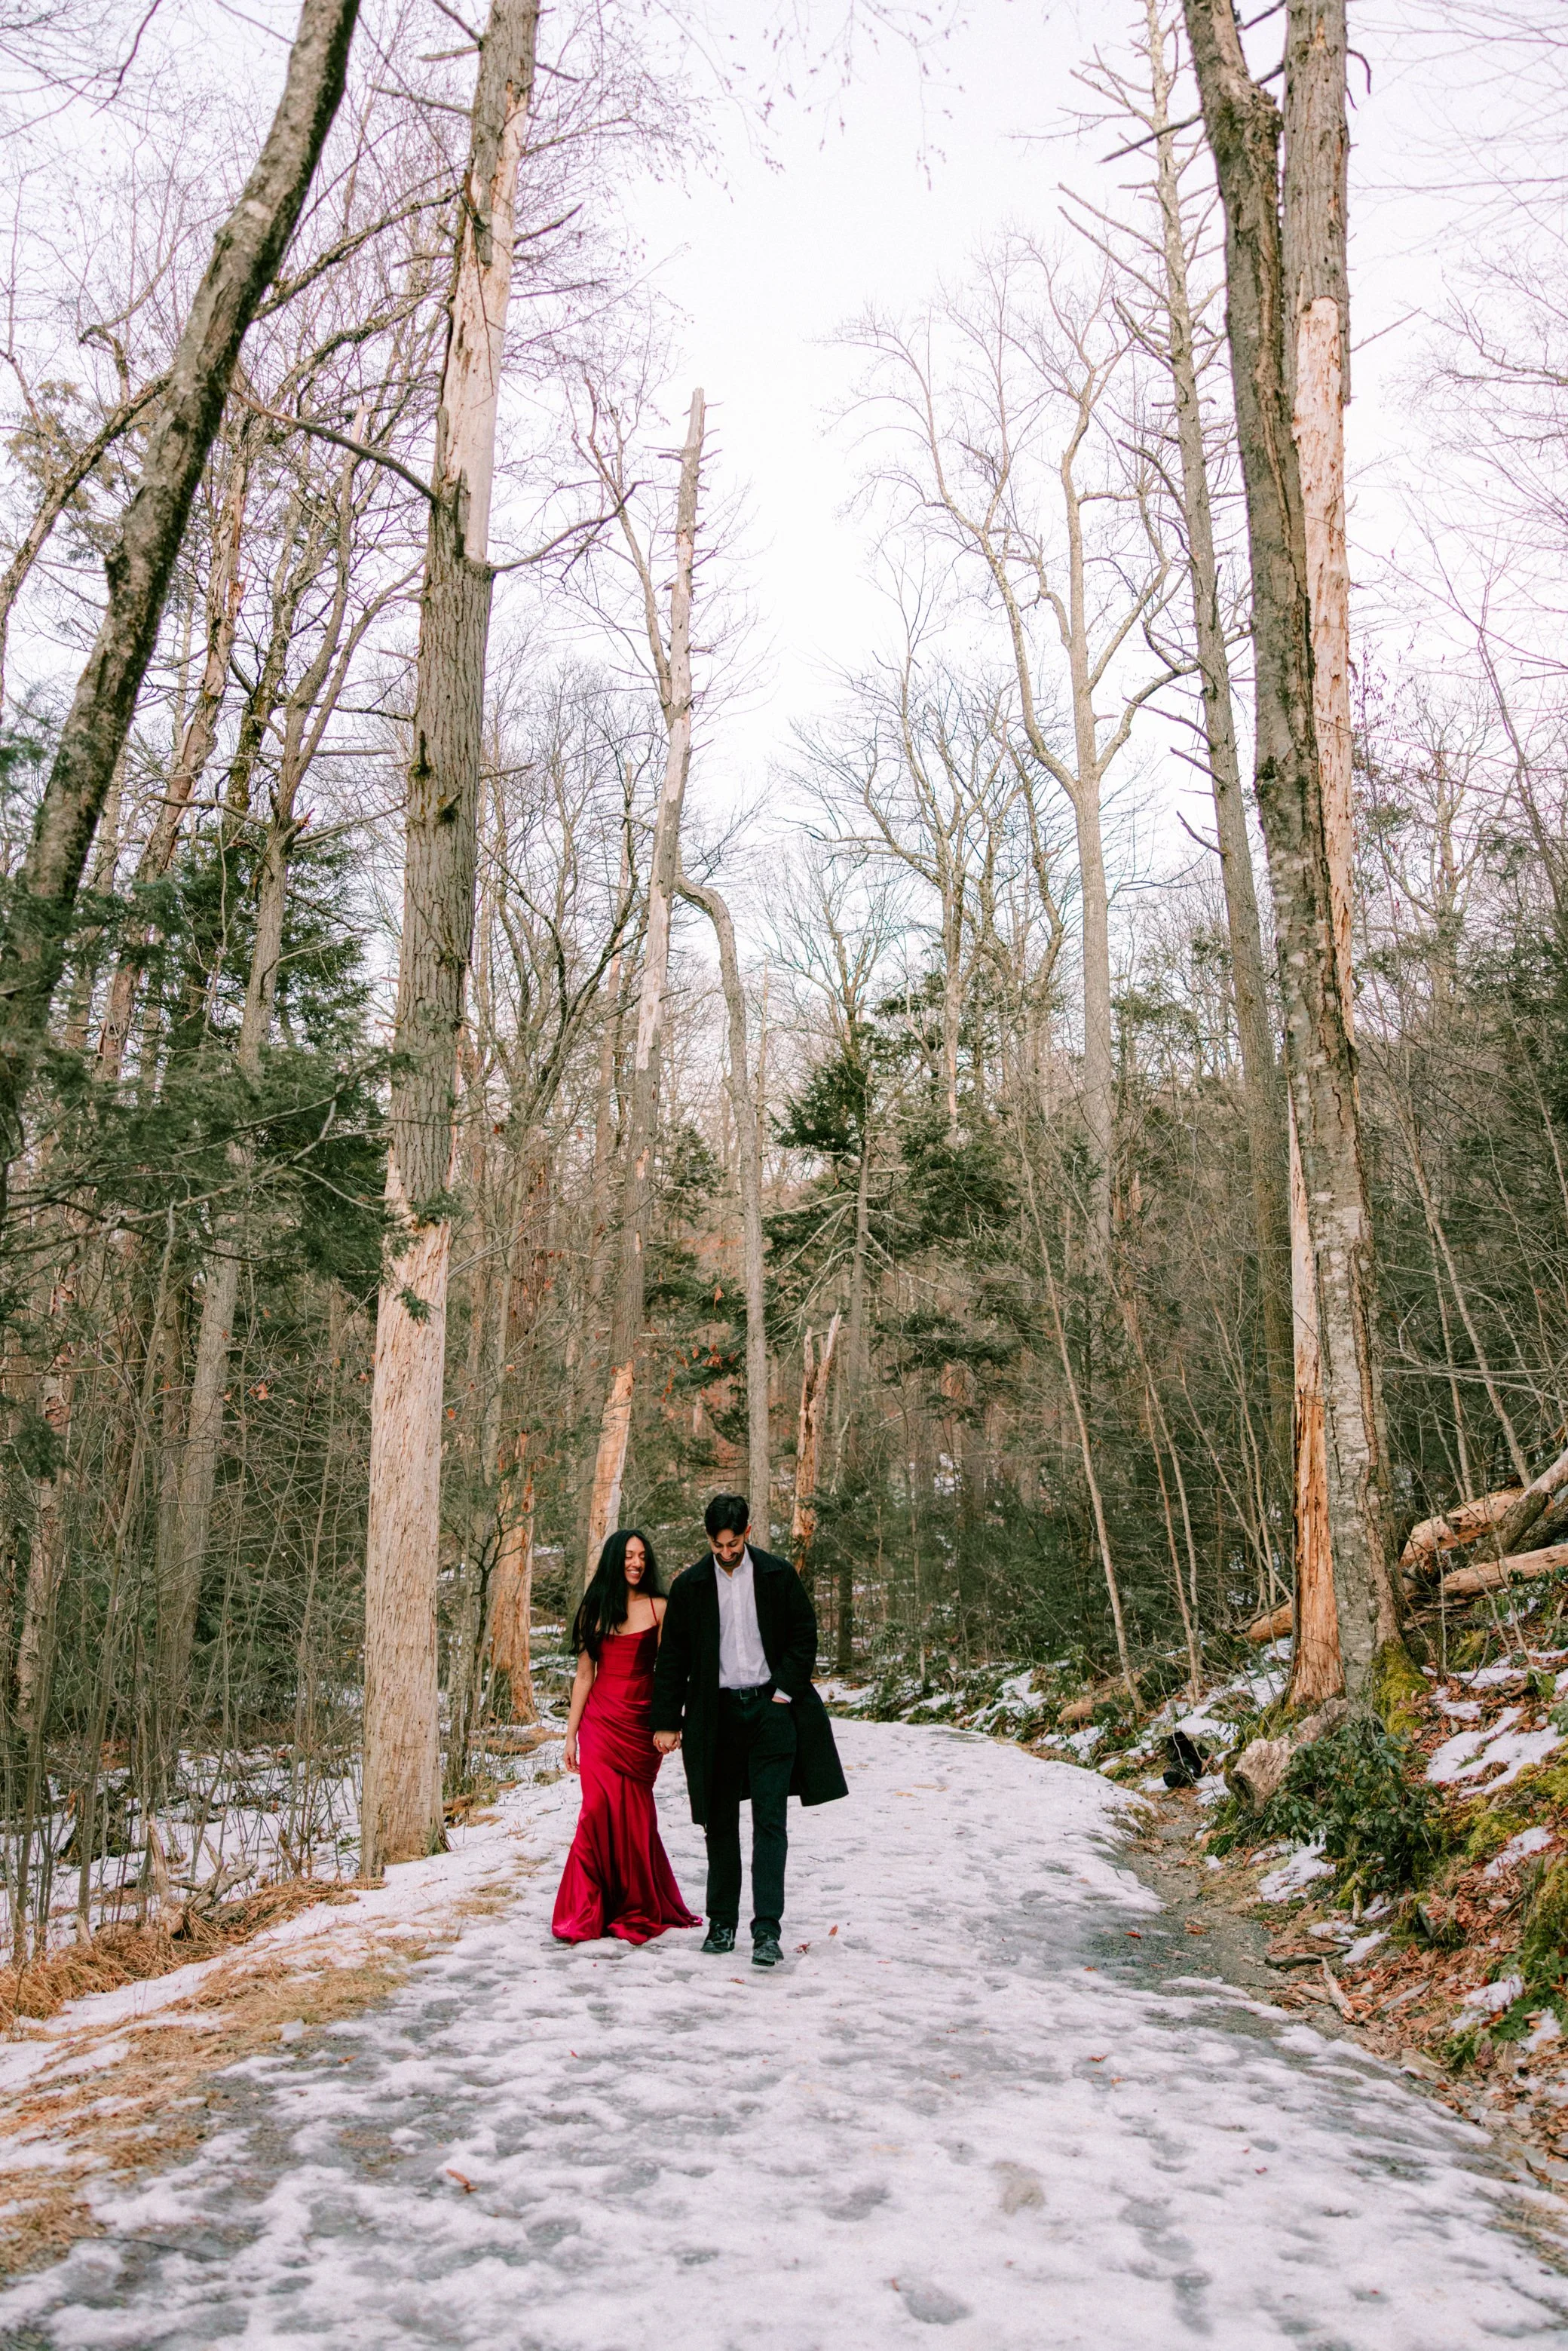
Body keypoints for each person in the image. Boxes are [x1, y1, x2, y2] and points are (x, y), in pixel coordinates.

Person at [651, 1493, 847, 1969]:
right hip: (714, 1716)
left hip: (769, 1712)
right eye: (717, 1546)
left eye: (733, 1543)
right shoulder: (691, 1586)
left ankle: (767, 1931)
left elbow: (804, 1635)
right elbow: (673, 1657)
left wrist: (783, 1691)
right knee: (718, 1824)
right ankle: (722, 1923)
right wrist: (665, 1720)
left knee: (769, 1823)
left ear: (748, 1532)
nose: (725, 1553)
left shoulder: (778, 1574)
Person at [551, 1528, 700, 1945]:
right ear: (615, 1560)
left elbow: (673, 1670)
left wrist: (673, 1722)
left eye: (642, 1556)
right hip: (599, 1723)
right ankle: (586, 1911)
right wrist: (570, 1736)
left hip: (639, 1725)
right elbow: (584, 1678)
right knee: (596, 1812)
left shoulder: (660, 1608)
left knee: (635, 1816)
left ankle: (635, 1906)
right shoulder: (593, 1610)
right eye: (628, 1556)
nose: (636, 1563)